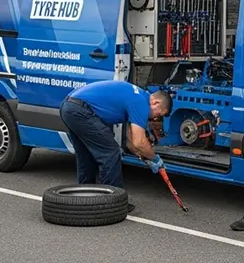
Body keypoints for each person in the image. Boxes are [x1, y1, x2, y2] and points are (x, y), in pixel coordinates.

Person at [59, 80, 172, 213]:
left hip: (69, 107)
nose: (155, 119)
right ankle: (112, 203)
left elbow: (131, 141)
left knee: (86, 155)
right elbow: (139, 142)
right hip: (81, 111)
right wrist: (155, 158)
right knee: (111, 153)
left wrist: (144, 156)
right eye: (158, 115)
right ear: (156, 103)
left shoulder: (138, 96)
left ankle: (85, 199)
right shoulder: (141, 103)